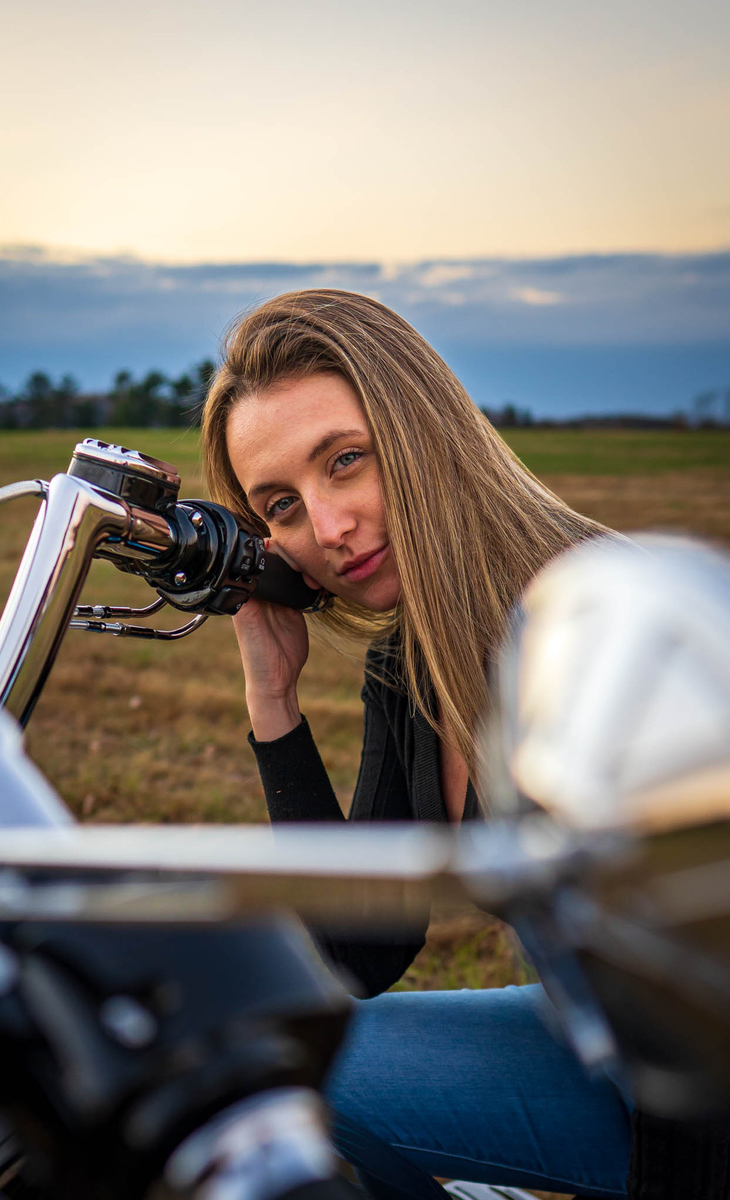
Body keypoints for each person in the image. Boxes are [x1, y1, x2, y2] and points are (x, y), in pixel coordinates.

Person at [200, 290, 715, 1200]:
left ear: (423, 426)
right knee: (280, 1059)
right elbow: (358, 953)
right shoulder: (409, 665)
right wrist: (272, 700)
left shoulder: (600, 626)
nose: (325, 530)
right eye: (281, 505)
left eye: (346, 462)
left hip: (702, 1103)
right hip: (593, 1052)